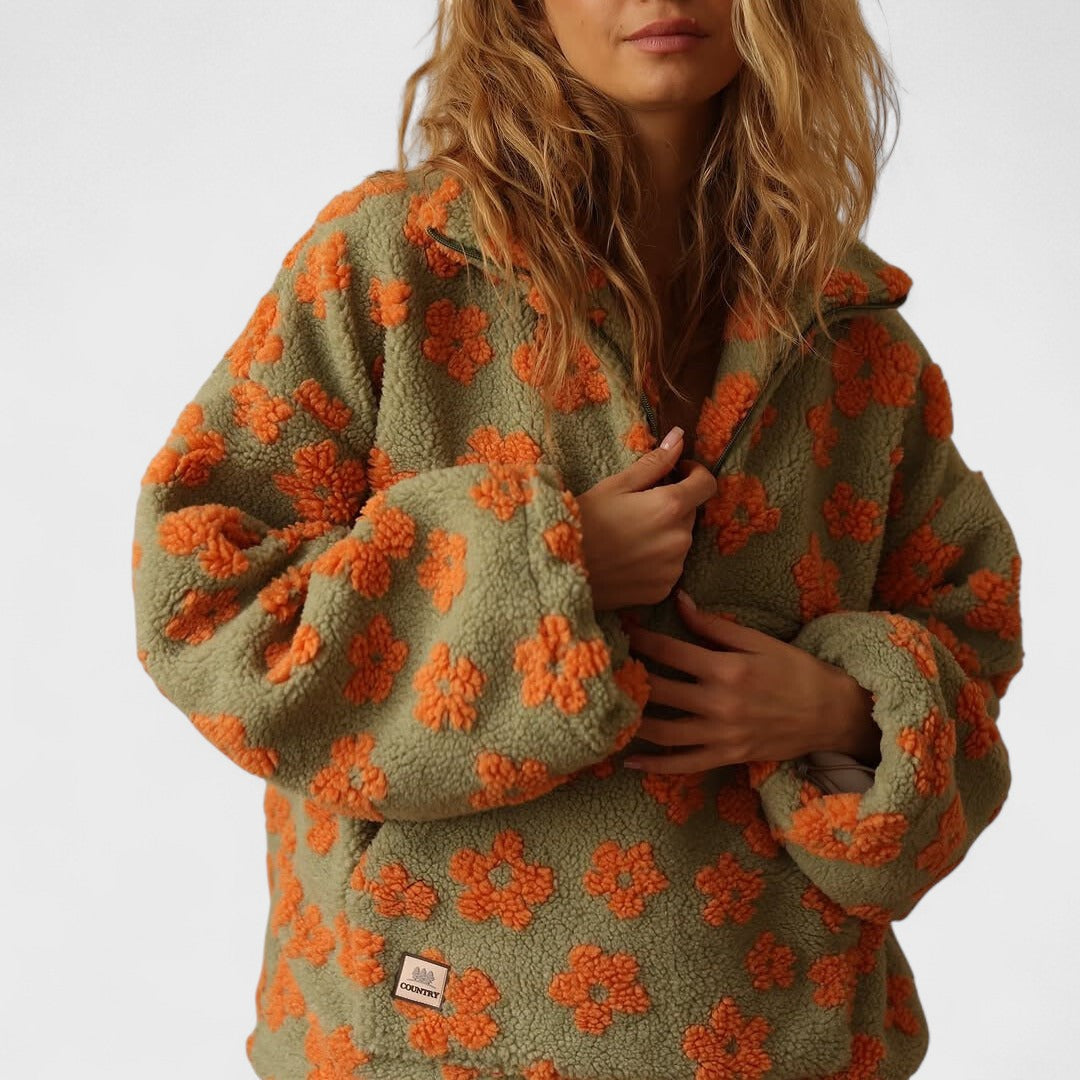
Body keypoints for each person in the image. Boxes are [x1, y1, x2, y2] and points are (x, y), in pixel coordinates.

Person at [130, 2, 1024, 1078]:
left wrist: (841, 711)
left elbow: (969, 627)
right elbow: (202, 597)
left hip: (780, 1038)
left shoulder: (854, 337)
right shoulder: (395, 267)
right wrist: (545, 565)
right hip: (424, 1037)